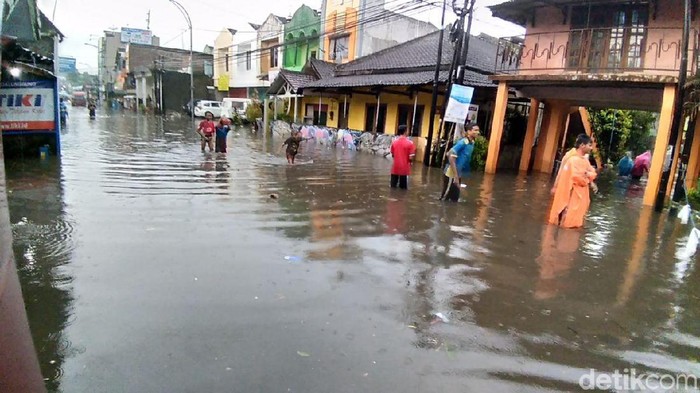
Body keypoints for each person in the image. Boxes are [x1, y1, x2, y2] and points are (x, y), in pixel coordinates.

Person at [548, 133, 598, 229]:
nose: (591, 148)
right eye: (590, 145)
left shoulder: (584, 158)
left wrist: (590, 179)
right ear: (582, 145)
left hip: (579, 192)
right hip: (570, 190)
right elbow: (564, 172)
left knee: (573, 215)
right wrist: (555, 186)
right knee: (565, 211)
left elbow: (590, 172)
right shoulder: (571, 158)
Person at [439, 123, 480, 202]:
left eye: (478, 130)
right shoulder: (463, 142)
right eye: (475, 130)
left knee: (455, 199)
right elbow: (450, 154)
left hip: (458, 173)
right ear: (469, 131)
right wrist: (456, 176)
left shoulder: (472, 143)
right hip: (451, 173)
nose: (477, 132)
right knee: (444, 198)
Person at [389, 125, 416, 189]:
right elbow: (410, 158)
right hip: (404, 169)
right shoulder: (410, 143)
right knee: (403, 189)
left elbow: (393, 155)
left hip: (395, 168)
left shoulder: (394, 142)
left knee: (392, 187)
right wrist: (410, 163)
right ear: (405, 131)